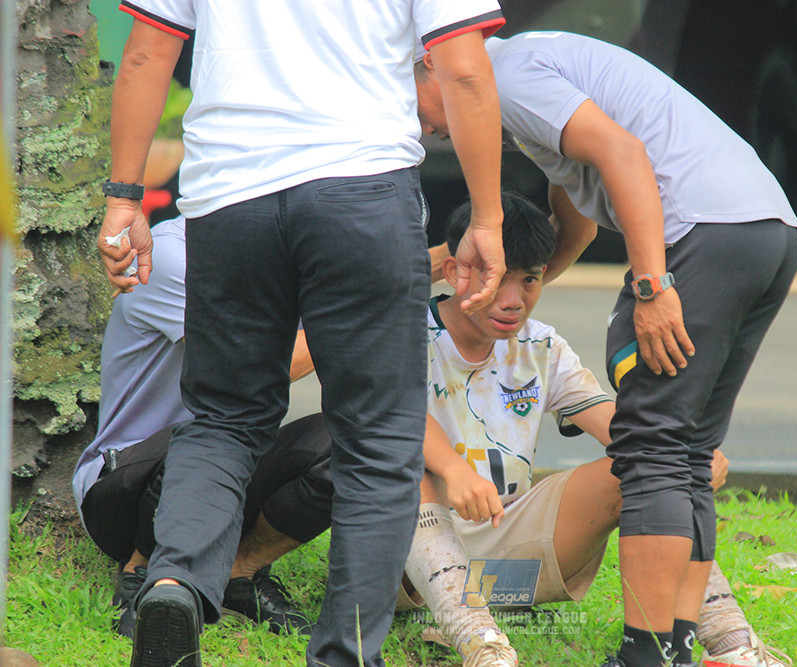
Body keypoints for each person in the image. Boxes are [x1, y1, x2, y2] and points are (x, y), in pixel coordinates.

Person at [95, 3, 508, 666]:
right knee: (377, 440)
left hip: (229, 199)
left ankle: (173, 582)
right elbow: (462, 70)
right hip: (362, 192)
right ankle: (344, 655)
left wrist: (123, 197)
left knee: (223, 418)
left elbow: (148, 53)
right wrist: (487, 214)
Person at [415, 32, 797, 667]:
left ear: (434, 62)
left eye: (419, 109)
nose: (429, 129)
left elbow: (621, 153)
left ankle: (660, 652)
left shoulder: (505, 78)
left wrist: (652, 282)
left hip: (702, 232)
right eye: (494, 274)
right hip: (765, 230)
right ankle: (665, 650)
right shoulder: (410, 328)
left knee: (654, 450)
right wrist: (509, 286)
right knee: (675, 450)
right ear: (457, 271)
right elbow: (577, 208)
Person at [74, 216, 333, 638]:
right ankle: (142, 573)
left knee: (348, 444)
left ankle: (239, 572)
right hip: (128, 483)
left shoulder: (280, 256)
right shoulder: (168, 256)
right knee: (205, 438)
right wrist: (356, 316)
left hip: (228, 478)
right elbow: (257, 372)